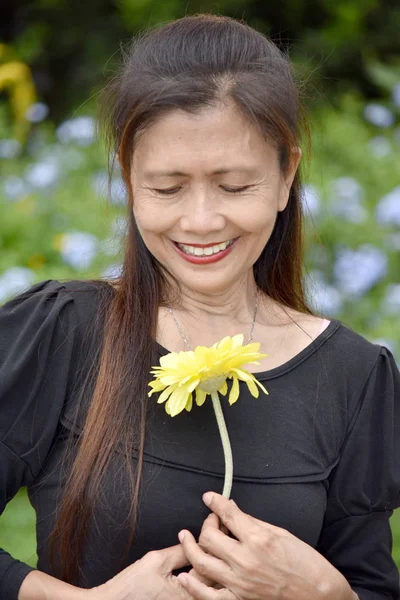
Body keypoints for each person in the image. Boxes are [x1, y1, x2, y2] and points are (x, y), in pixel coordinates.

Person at [0, 13, 399, 600]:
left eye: (235, 186)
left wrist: (322, 592)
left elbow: (370, 587)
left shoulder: (353, 379)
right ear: (128, 176)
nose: (202, 221)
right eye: (167, 188)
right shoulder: (63, 331)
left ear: (287, 173)